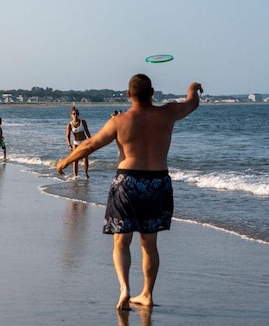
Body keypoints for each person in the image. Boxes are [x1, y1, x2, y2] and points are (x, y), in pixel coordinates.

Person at [57, 74, 203, 310]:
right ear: (153, 92)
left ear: (128, 95)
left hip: (128, 182)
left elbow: (89, 144)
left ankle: (124, 289)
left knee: (121, 242)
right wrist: (192, 89)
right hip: (157, 182)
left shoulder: (119, 122)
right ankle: (146, 294)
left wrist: (65, 161)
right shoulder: (167, 113)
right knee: (149, 244)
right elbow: (191, 104)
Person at [65, 106, 91, 179]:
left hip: (84, 142)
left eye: (76, 114)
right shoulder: (69, 125)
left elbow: (87, 132)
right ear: (71, 115)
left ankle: (86, 174)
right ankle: (75, 176)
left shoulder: (83, 122)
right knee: (75, 160)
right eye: (73, 114)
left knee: (85, 159)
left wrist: (91, 141)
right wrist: (69, 145)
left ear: (78, 114)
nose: (75, 115)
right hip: (76, 143)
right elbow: (67, 136)